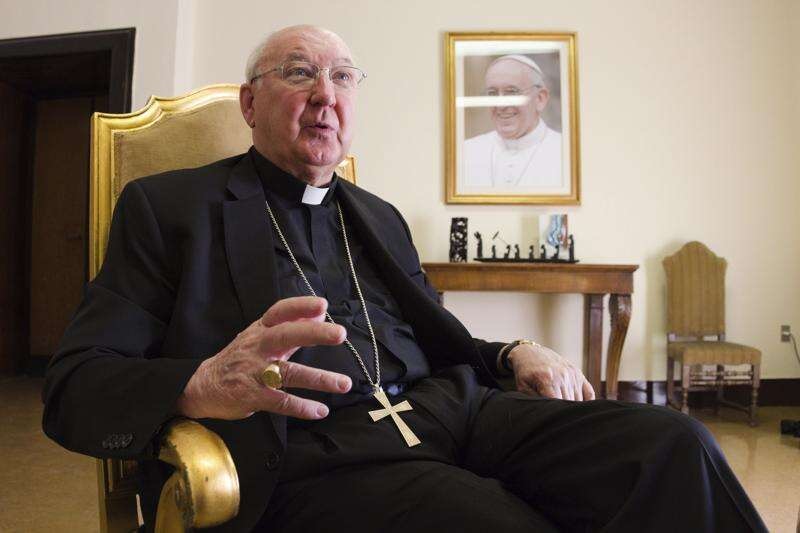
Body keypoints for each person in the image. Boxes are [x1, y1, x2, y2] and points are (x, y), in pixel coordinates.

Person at [43, 25, 766, 533]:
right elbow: (76, 381)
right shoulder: (170, 208)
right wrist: (200, 383)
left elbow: (433, 337)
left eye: (343, 77)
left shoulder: (379, 214)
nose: (326, 93)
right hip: (321, 455)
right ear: (250, 104)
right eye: (298, 73)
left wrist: (514, 354)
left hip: (456, 410)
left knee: (673, 446)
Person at [463, 54, 563, 188]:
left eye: (512, 92)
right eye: (492, 93)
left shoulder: (565, 152)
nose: (501, 106)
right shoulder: (465, 152)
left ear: (540, 99)